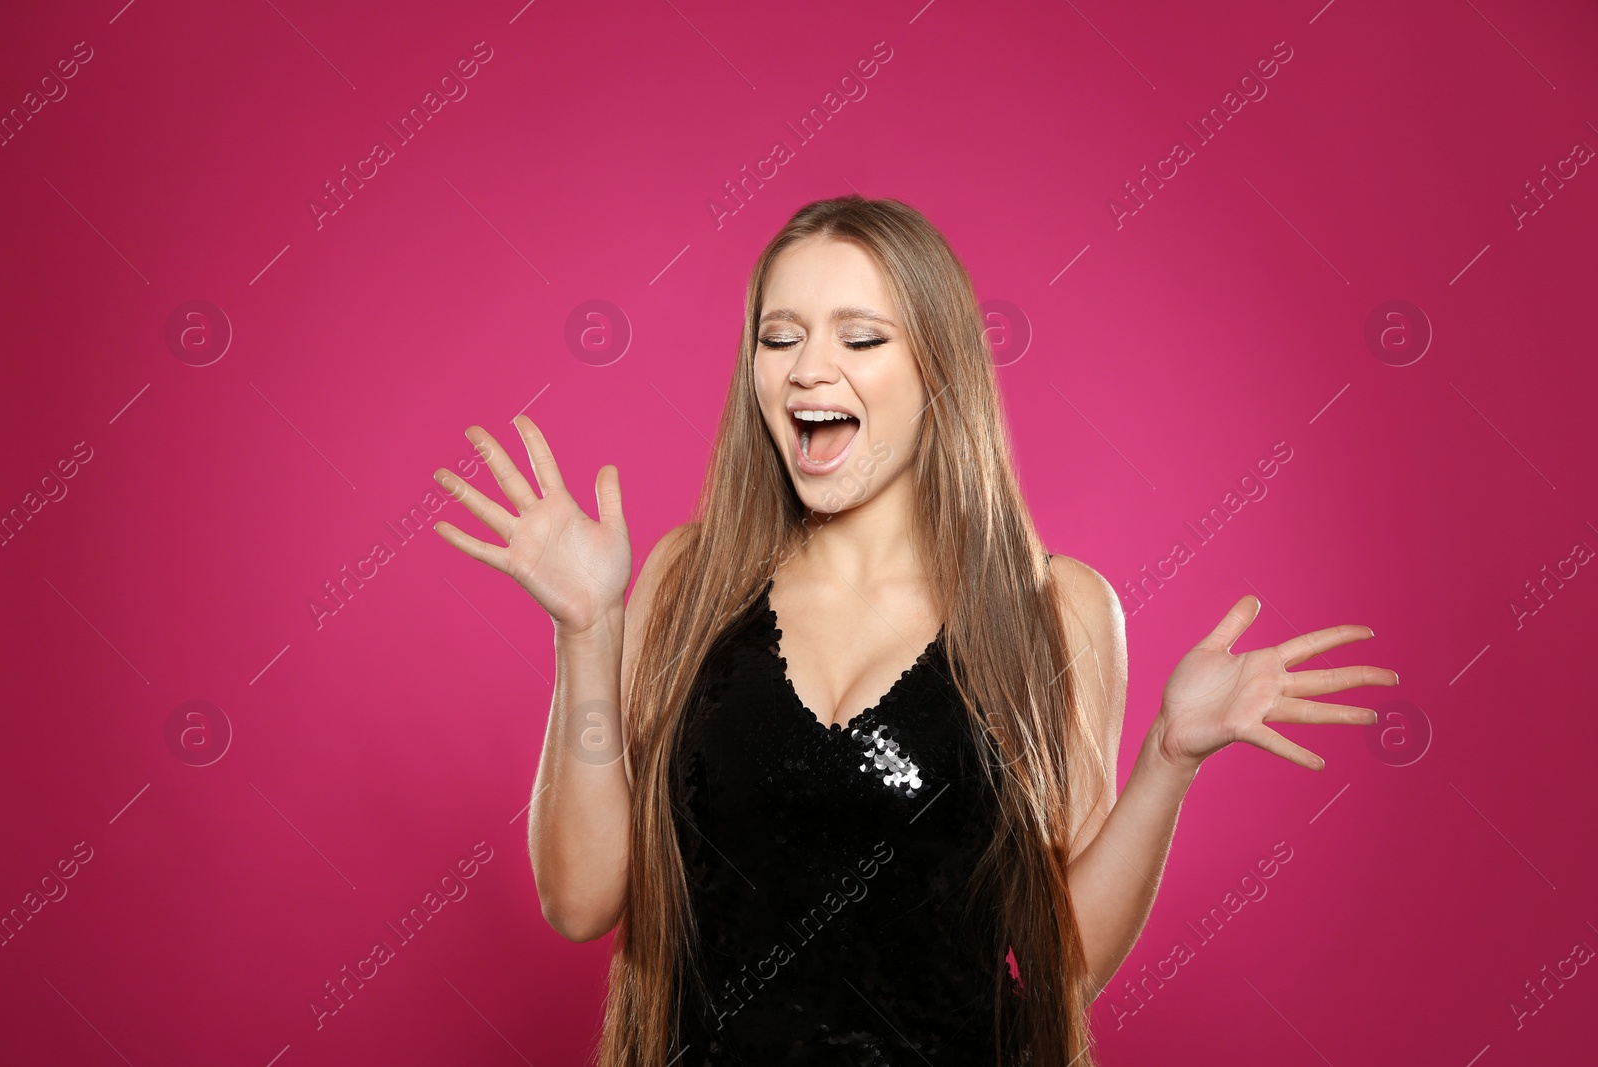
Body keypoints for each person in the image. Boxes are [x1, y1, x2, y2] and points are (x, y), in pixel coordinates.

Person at [430, 195, 1398, 1066]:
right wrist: (588, 626)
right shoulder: (691, 578)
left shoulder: (1053, 609)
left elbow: (1062, 968)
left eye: (860, 337)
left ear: (938, 365)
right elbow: (581, 897)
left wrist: (1170, 756)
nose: (810, 368)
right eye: (779, 337)